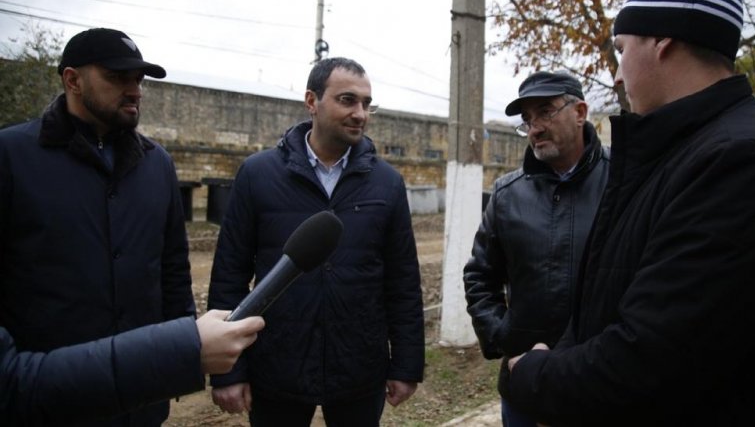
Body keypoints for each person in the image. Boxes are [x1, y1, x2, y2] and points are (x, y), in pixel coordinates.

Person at [501, 0, 755, 426]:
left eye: (622, 50)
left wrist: (534, 375)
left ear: (663, 41)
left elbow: (653, 358)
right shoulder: (679, 154)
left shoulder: (741, 161)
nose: (617, 76)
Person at [207, 57, 425, 426]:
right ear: (312, 101)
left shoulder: (386, 183)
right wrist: (229, 372)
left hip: (359, 368)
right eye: (347, 100)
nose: (361, 113)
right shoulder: (258, 175)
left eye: (366, 103)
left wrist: (406, 364)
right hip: (277, 365)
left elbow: (402, 280)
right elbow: (229, 274)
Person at [0, 27, 197, 426]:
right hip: (50, 398)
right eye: (117, 77)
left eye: (138, 80)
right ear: (72, 80)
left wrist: (181, 352)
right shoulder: (11, 157)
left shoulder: (157, 164)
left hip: (141, 397)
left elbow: (173, 269)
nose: (135, 90)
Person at [463, 71, 609, 426]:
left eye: (545, 111)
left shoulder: (624, 182)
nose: (535, 127)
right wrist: (505, 339)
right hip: (525, 391)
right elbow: (479, 276)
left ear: (580, 112)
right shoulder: (507, 194)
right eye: (527, 119)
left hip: (603, 386)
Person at [0, 311, 265, 426]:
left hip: (144, 409)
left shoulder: (157, 192)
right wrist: (184, 349)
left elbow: (172, 275)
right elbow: (10, 386)